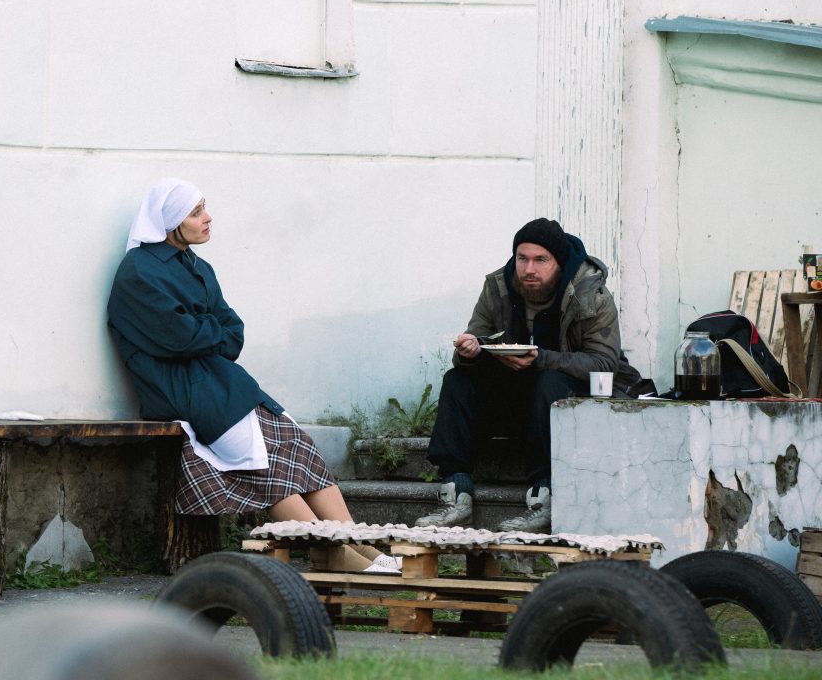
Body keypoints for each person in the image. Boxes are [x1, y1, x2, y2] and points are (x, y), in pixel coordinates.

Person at [107, 178, 397, 573]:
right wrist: (206, 330)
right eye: (196, 213)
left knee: (297, 446)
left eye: (204, 208)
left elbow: (233, 333)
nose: (208, 218)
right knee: (263, 465)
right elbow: (180, 338)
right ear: (172, 222)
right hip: (182, 390)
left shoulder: (198, 266)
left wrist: (202, 330)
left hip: (223, 384)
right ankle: (334, 554)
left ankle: (360, 545)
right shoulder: (139, 272)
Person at [416, 218, 639, 533]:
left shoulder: (591, 293)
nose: (529, 269)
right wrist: (469, 351)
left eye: (540, 260)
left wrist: (540, 360)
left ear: (558, 262)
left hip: (571, 403)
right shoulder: (498, 288)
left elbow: (604, 362)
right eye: (522, 258)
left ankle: (543, 497)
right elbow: (475, 339)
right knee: (458, 380)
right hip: (518, 401)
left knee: (548, 381)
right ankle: (456, 492)